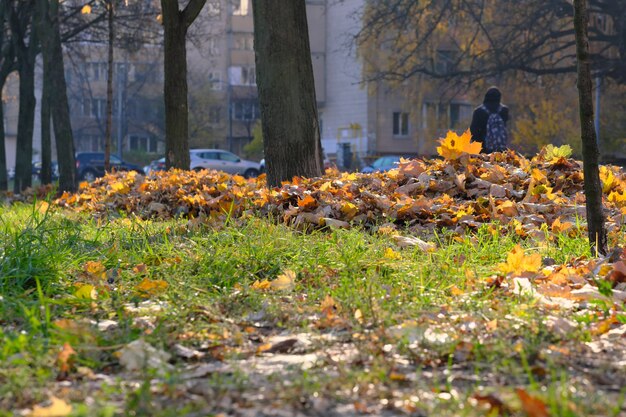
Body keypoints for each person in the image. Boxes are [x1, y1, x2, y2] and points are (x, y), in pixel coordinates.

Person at [470, 86, 509, 153]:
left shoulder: (478, 111)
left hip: (483, 150)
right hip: (501, 150)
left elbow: (473, 132)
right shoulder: (504, 110)